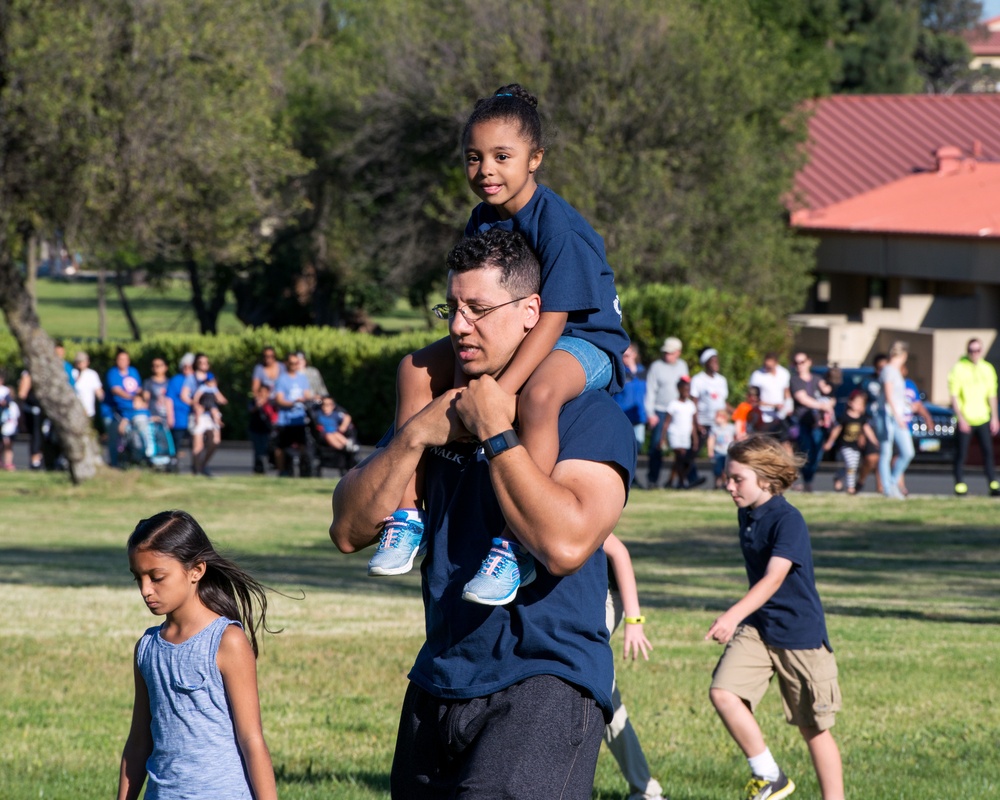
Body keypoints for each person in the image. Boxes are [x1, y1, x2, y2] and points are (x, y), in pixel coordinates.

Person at [330, 229, 636, 799]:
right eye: (453, 307)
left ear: (530, 313)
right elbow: (348, 530)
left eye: (478, 309)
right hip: (438, 679)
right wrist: (416, 434)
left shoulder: (589, 416)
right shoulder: (435, 404)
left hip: (545, 682)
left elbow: (565, 545)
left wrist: (497, 430)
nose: (458, 325)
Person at [369, 84, 630, 608]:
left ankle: (515, 545)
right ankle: (407, 515)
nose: (486, 169)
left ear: (535, 160)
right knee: (414, 370)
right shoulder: (482, 219)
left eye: (502, 156)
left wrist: (502, 391)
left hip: (583, 340)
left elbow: (556, 317)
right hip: (529, 333)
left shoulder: (559, 227)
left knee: (537, 396)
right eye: (474, 157)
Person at [707, 435, 843, 800]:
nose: (729, 486)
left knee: (813, 728)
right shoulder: (747, 513)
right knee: (723, 692)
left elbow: (774, 577)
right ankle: (770, 776)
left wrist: (732, 615)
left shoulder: (788, 520)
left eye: (738, 479)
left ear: (765, 479)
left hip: (799, 635)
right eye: (727, 477)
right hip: (760, 629)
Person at [117, 510, 277, 800]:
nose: (145, 590)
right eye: (137, 578)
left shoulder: (227, 641)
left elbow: (251, 740)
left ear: (196, 570)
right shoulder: (147, 648)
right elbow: (139, 742)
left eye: (157, 577)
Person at [602, 533, 665, 800]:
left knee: (593, 690)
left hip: (603, 596)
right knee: (605, 699)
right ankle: (646, 790)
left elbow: (619, 553)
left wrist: (634, 621)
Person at [948, 337, 999, 497]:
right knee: (961, 453)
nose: (974, 353)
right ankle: (960, 484)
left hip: (982, 417)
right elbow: (954, 396)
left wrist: (995, 417)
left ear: (981, 351)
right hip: (966, 418)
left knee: (988, 452)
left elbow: (992, 395)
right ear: (967, 351)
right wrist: (961, 418)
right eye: (971, 350)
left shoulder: (987, 369)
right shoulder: (959, 368)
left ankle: (992, 483)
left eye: (977, 350)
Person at [644, 337, 689, 489]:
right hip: (661, 411)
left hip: (678, 412)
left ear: (678, 353)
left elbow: (685, 388)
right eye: (665, 352)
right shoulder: (656, 367)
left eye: (670, 353)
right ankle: (652, 480)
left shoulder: (683, 366)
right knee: (657, 446)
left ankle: (685, 480)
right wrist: (650, 413)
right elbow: (650, 390)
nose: (667, 355)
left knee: (682, 446)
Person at [789, 352, 834, 492]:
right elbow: (803, 399)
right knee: (806, 451)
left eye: (802, 362)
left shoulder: (817, 379)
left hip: (818, 423)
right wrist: (823, 405)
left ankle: (809, 480)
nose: (799, 365)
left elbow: (828, 392)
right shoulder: (795, 380)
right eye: (796, 363)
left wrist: (833, 382)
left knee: (817, 454)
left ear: (809, 362)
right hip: (803, 422)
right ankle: (807, 482)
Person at [876, 341, 913, 499]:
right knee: (886, 452)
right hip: (887, 416)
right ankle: (887, 488)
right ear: (903, 355)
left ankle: (892, 482)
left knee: (908, 452)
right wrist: (898, 418)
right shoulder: (889, 370)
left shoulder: (896, 371)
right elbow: (889, 396)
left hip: (897, 417)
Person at [823, 389, 876, 495]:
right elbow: (836, 430)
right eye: (856, 402)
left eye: (861, 404)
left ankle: (839, 476)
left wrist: (875, 442)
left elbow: (867, 430)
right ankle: (851, 488)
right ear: (850, 403)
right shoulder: (844, 417)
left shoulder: (862, 418)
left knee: (851, 466)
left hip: (855, 446)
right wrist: (829, 442)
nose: (858, 406)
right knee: (851, 464)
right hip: (844, 445)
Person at [690, 346, 728, 486]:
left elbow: (722, 402)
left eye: (716, 360)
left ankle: (721, 481)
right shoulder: (698, 380)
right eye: (712, 360)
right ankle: (691, 478)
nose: (716, 363)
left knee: (722, 452)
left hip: (719, 422)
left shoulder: (722, 380)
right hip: (703, 421)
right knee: (694, 450)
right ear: (706, 363)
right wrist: (697, 423)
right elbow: (694, 402)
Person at [273, 352, 314, 476]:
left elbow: (306, 394)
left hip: (299, 419)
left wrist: (310, 399)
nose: (294, 365)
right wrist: (293, 402)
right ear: (286, 364)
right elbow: (279, 400)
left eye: (296, 363)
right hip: (285, 419)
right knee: (281, 446)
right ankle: (282, 471)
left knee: (303, 445)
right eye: (292, 363)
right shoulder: (282, 379)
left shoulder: (302, 378)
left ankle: (303, 469)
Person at [188, 353, 228, 477]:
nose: (204, 365)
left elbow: (220, 397)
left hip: (211, 413)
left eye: (206, 363)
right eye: (201, 363)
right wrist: (196, 405)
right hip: (200, 414)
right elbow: (190, 397)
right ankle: (197, 469)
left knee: (215, 440)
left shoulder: (212, 384)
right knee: (198, 445)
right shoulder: (192, 379)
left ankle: (203, 465)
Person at [106, 349, 146, 468]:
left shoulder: (133, 371)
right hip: (118, 412)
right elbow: (116, 390)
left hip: (133, 410)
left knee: (139, 435)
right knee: (115, 440)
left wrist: (142, 396)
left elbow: (138, 388)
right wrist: (133, 397)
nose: (123, 362)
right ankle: (115, 464)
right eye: (120, 359)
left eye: (125, 359)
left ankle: (140, 460)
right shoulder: (113, 373)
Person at [660, 375, 698, 489]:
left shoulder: (691, 405)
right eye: (684, 389)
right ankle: (682, 483)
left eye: (688, 389)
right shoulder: (673, 404)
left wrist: (695, 438)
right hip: (675, 434)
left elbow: (693, 424)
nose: (687, 392)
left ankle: (670, 481)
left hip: (685, 436)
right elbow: (666, 423)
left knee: (680, 460)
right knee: (680, 456)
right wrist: (663, 438)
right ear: (679, 389)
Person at [748, 352, 792, 439]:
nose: (767, 369)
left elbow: (786, 392)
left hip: (780, 415)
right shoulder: (757, 375)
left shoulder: (784, 373)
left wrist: (789, 406)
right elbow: (752, 399)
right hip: (763, 417)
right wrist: (773, 405)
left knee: (784, 442)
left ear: (776, 363)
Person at [615, 343, 648, 452]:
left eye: (627, 355)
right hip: (623, 415)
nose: (625, 359)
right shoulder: (619, 372)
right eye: (623, 356)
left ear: (634, 354)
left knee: (638, 444)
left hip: (639, 415)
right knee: (622, 446)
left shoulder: (642, 372)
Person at [166, 353, 195, 471]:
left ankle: (196, 465)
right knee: (176, 443)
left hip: (193, 416)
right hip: (179, 417)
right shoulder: (176, 380)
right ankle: (173, 464)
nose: (187, 369)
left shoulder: (197, 380)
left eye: (191, 367)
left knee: (195, 443)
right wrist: (170, 416)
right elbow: (169, 399)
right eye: (185, 367)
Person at [708, 407, 737, 489]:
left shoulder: (731, 428)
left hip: (728, 452)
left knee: (727, 470)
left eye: (717, 416)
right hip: (718, 451)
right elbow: (711, 440)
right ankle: (717, 485)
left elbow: (735, 439)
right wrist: (710, 451)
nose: (715, 418)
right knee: (717, 470)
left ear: (724, 417)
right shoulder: (714, 429)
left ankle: (726, 484)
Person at [72, 351, 104, 424]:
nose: (81, 363)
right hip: (75, 411)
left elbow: (99, 392)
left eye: (83, 361)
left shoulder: (92, 374)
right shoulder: (73, 373)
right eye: (79, 361)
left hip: (89, 412)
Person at [143, 357, 175, 430]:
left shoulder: (170, 382)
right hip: (153, 417)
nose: (156, 367)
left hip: (167, 418)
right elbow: (145, 401)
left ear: (166, 367)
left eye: (159, 365)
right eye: (154, 365)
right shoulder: (148, 382)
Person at [0, 367, 20, 472]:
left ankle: (8, 463)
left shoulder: (5, 392)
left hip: (6, 424)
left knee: (7, 444)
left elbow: (7, 404)